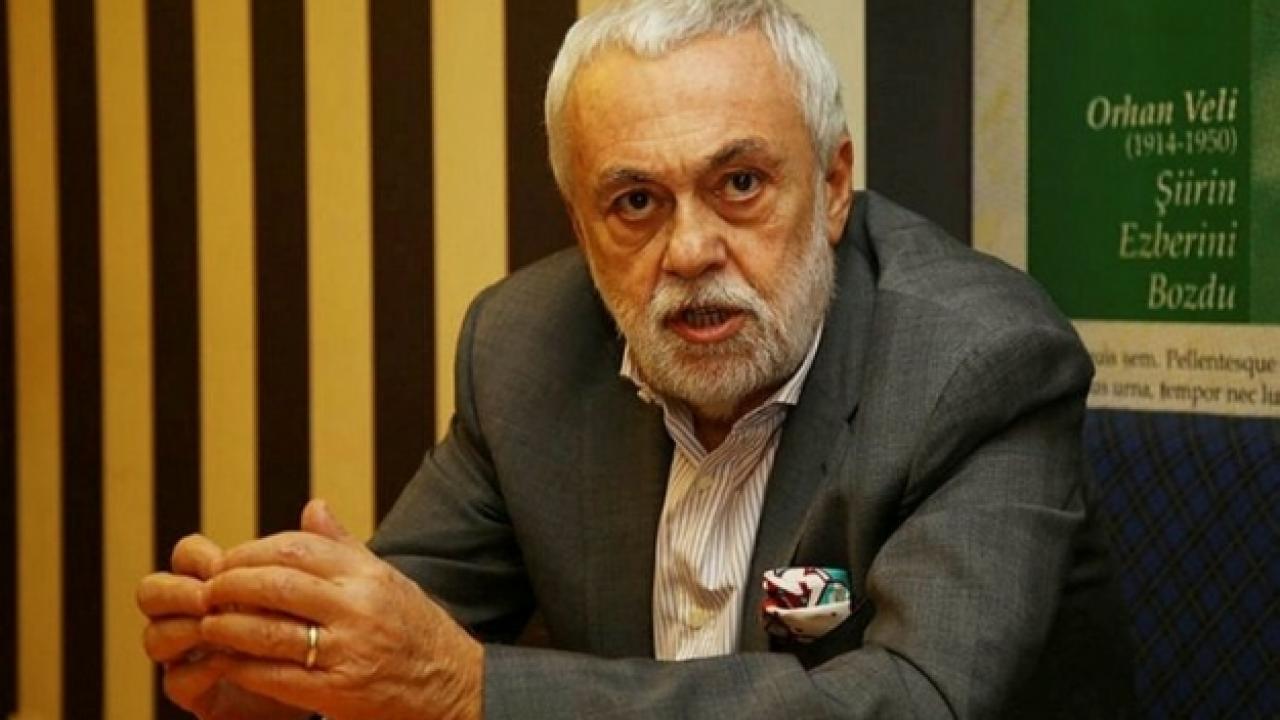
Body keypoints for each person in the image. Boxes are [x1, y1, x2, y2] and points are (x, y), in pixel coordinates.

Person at [137, 0, 1134, 717]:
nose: (690, 250)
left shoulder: (976, 362)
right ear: (581, 226)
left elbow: (910, 702)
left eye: (739, 184)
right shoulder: (524, 349)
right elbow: (410, 631)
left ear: (833, 186)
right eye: (635, 202)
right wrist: (291, 668)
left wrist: (472, 691)